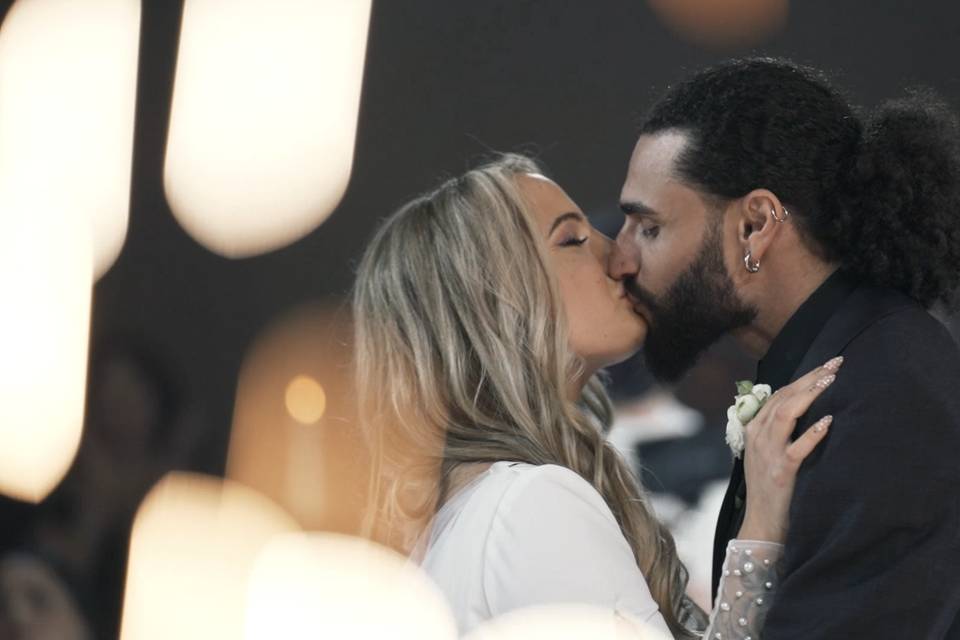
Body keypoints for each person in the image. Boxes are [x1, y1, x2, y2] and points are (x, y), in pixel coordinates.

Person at [352, 155, 839, 638]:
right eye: (571, 239)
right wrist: (759, 532)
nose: (622, 258)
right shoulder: (531, 504)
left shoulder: (464, 517)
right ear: (493, 301)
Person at [609, 57, 960, 638]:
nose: (620, 259)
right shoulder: (847, 363)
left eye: (649, 228)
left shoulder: (885, 397)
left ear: (755, 226)